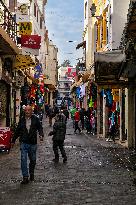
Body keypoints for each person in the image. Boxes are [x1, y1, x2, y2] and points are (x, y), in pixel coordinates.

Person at [11, 105, 44, 184]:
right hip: (24, 142)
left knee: (33, 160)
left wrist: (41, 135)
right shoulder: (22, 120)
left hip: (33, 143)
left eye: (29, 110)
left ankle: (31, 172)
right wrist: (13, 140)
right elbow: (18, 130)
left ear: (31, 111)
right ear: (24, 111)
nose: (27, 112)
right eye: (26, 110)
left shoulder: (35, 119)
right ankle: (25, 177)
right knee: (23, 159)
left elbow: (40, 128)